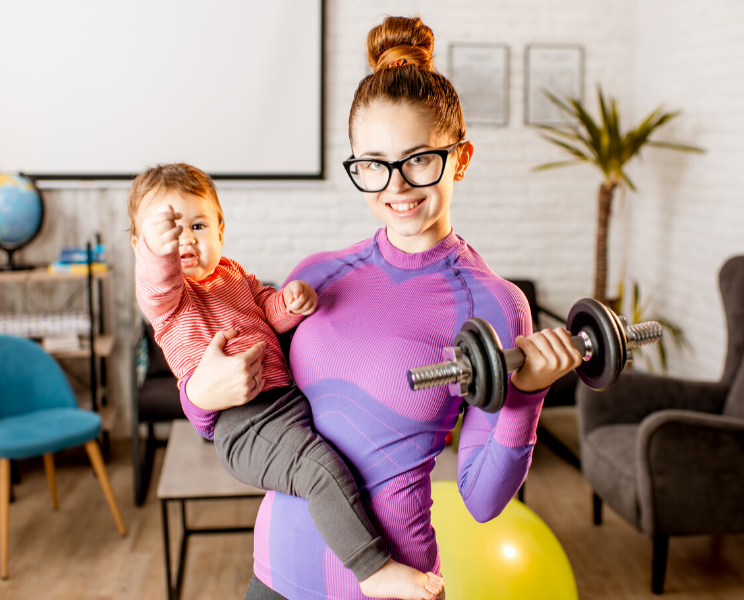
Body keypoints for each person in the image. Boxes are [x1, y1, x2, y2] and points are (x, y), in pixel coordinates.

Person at [180, 16, 583, 600]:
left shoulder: (493, 305)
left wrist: (526, 395)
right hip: (274, 574)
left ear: (461, 157)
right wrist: (199, 395)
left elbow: (483, 499)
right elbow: (239, 425)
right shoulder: (315, 278)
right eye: (372, 163)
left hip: (389, 586)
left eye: (419, 159)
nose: (395, 185)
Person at [128, 163, 444, 600]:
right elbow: (154, 283)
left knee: (338, 461)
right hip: (245, 422)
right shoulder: (170, 298)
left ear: (221, 230)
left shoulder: (234, 275)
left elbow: (268, 312)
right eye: (167, 229)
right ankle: (371, 568)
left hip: (283, 403)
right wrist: (155, 251)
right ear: (140, 243)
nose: (184, 238)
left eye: (198, 225)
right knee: (319, 472)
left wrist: (292, 303)